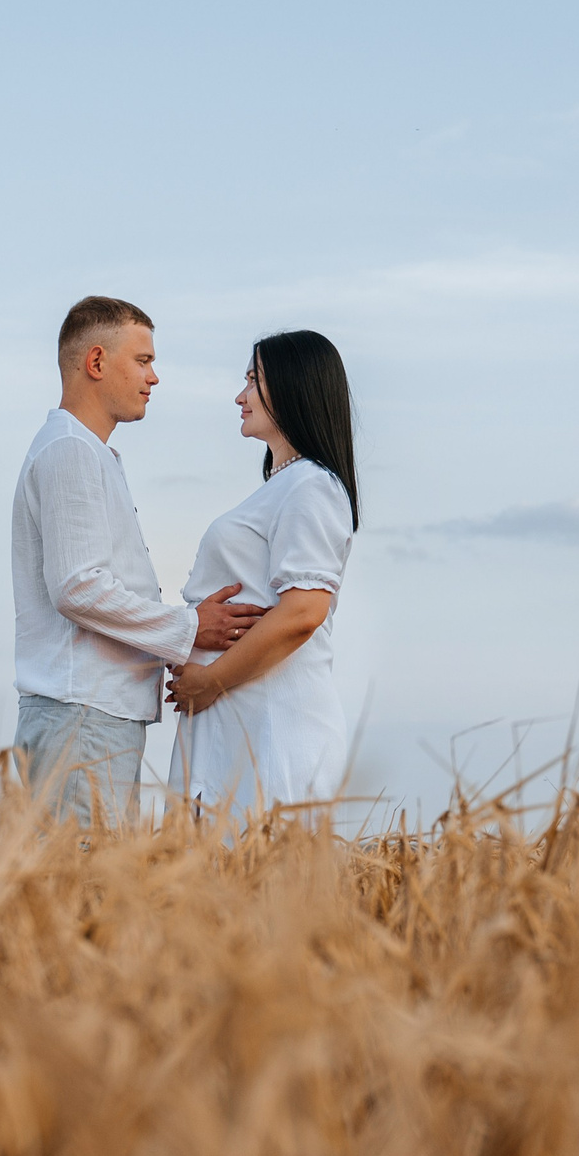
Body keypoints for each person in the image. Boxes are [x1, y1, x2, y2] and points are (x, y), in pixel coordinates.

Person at [12, 295, 264, 824]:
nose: (155, 377)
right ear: (97, 362)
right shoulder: (71, 451)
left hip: (87, 714)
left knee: (87, 890)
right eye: (143, 360)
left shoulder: (85, 451)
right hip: (81, 714)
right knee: (78, 890)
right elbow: (78, 587)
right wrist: (189, 627)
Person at [167, 330, 358, 818]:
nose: (240, 395)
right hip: (238, 722)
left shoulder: (312, 486)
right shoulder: (284, 487)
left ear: (295, 387)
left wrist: (210, 683)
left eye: (253, 380)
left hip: (274, 729)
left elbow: (303, 611)